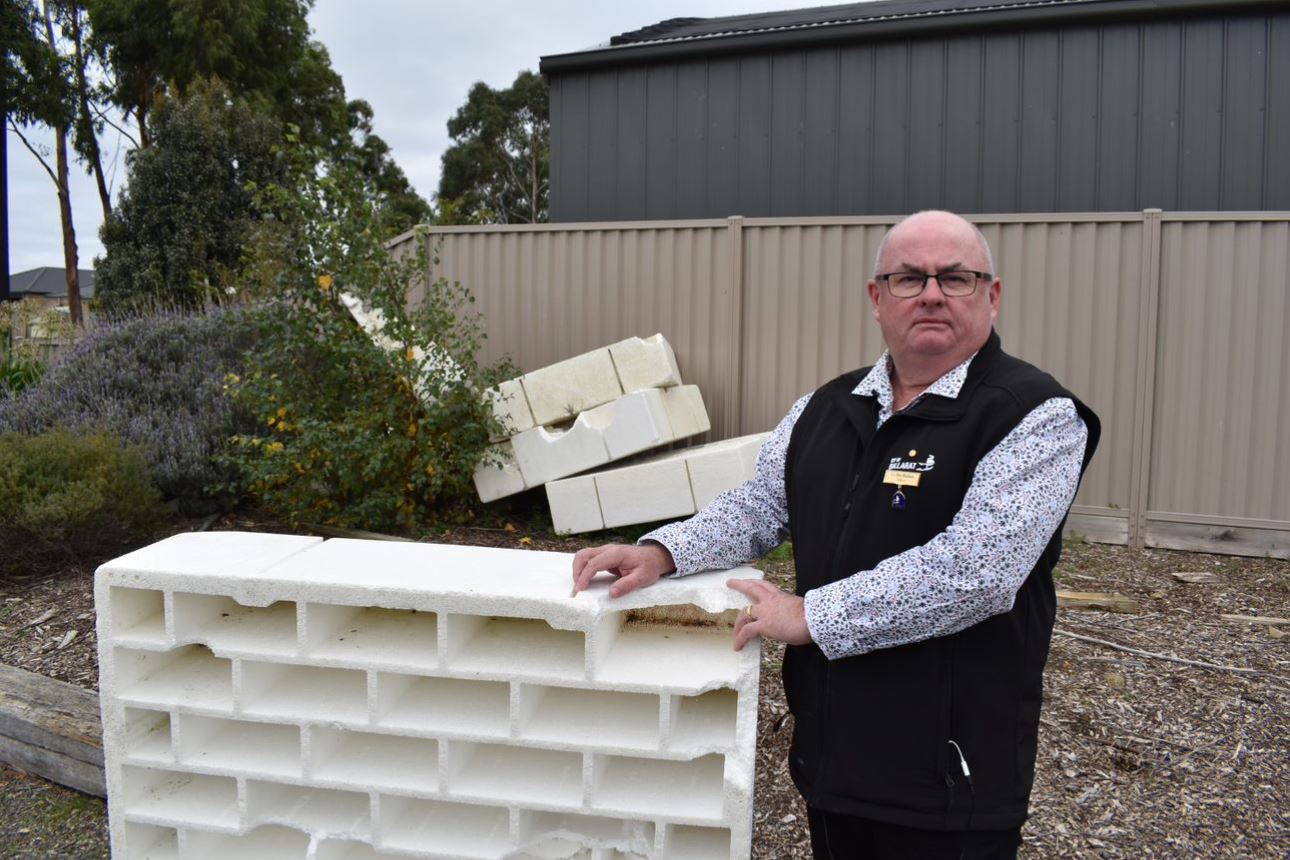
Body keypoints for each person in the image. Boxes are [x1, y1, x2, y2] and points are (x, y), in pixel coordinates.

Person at [571, 210, 1101, 860]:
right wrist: (662, 551)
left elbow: (977, 574)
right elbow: (762, 505)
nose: (932, 294)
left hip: (949, 784)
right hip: (833, 763)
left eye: (955, 278)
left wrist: (812, 616)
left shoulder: (1035, 415)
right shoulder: (824, 409)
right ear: (877, 299)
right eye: (909, 278)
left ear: (991, 297)